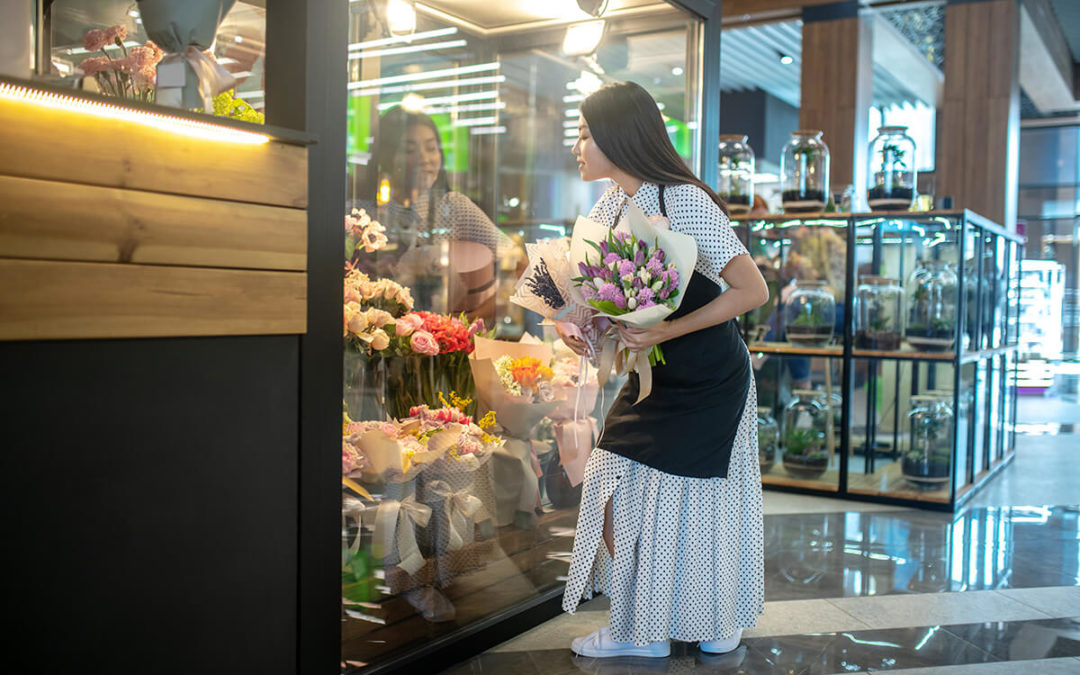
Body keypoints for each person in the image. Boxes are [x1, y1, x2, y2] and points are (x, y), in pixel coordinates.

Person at [556, 81, 769, 658]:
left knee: (703, 502)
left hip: (710, 376)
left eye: (583, 134)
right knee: (609, 481)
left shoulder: (684, 200)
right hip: (655, 372)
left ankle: (710, 619)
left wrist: (667, 330)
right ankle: (641, 626)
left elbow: (752, 290)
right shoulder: (608, 206)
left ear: (617, 137)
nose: (575, 146)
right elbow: (613, 299)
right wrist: (581, 324)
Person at [352, 107, 509, 322]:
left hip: (440, 347)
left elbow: (518, 263)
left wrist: (473, 319)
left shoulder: (454, 208)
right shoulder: (361, 213)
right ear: (386, 157)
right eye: (409, 150)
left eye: (431, 148)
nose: (425, 159)